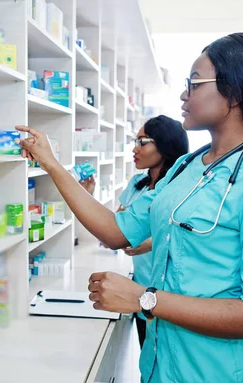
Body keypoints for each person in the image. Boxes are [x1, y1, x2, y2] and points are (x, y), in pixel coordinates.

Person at [15, 32, 243, 383]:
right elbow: (117, 231)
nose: (184, 94)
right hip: (158, 367)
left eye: (194, 83)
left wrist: (145, 299)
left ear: (234, 93)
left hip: (215, 373)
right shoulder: (186, 168)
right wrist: (53, 165)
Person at [79, 115, 189, 349]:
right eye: (135, 141)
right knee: (148, 355)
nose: (135, 148)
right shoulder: (137, 184)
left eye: (143, 141)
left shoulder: (178, 189)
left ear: (165, 145)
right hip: (139, 289)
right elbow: (113, 233)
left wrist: (151, 241)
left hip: (171, 295)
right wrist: (87, 196)